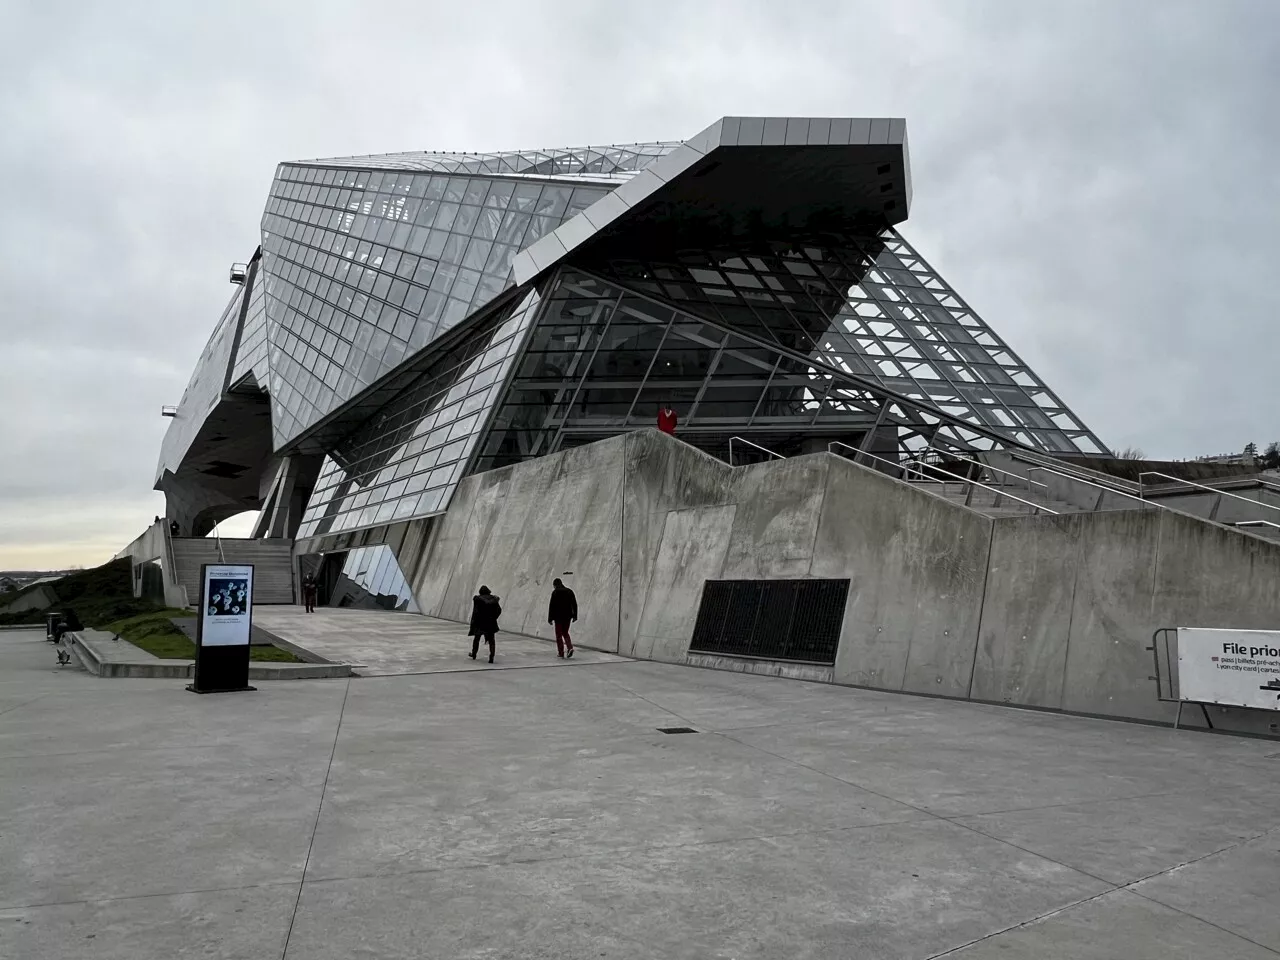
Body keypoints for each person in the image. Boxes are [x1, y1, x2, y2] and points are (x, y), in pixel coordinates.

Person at [468, 585, 502, 663]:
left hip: (479, 622)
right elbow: (499, 610)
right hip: (490, 622)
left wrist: (473, 623)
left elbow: (475, 612)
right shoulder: (494, 599)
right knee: (492, 641)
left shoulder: (478, 599)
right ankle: (491, 657)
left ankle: (474, 654)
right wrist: (493, 618)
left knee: (477, 639)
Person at [547, 578, 577, 658]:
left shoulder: (555, 592)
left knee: (558, 635)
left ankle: (561, 652)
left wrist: (550, 618)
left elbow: (552, 606)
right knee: (565, 632)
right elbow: (574, 604)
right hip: (567, 617)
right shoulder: (569, 591)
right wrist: (575, 616)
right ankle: (570, 647)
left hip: (558, 617)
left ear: (555, 585)